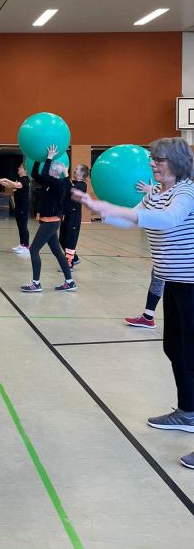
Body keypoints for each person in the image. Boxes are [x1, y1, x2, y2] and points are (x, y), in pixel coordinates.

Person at [73, 137, 194, 470]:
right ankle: (187, 412)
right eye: (152, 158)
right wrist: (99, 209)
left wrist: (115, 209)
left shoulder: (186, 192)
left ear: (178, 162)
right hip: (176, 283)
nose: (153, 164)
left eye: (160, 159)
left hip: (192, 284)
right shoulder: (155, 193)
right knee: (175, 349)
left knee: (192, 357)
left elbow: (169, 220)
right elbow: (132, 219)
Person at [21, 145, 77, 293]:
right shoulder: (49, 183)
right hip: (49, 222)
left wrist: (49, 158)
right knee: (58, 252)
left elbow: (45, 174)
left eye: (50, 168)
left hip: (50, 223)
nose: (48, 170)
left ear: (54, 172)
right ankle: (70, 282)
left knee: (33, 250)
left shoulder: (58, 184)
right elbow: (36, 174)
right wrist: (38, 160)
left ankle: (36, 283)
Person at [124, 180, 164, 329]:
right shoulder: (160, 189)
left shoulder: (185, 191)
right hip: (166, 254)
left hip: (181, 254)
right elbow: (136, 213)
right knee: (157, 278)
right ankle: (148, 317)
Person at [59, 164, 90, 269]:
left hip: (74, 216)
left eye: (77, 169)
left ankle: (69, 264)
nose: (74, 170)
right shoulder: (74, 182)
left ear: (82, 173)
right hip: (67, 214)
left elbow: (71, 190)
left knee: (70, 240)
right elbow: (66, 185)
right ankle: (75, 258)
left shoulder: (82, 185)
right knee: (62, 239)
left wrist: (65, 174)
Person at [0, 162, 30, 254]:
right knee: (20, 226)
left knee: (23, 226)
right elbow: (10, 185)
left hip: (23, 206)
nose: (18, 168)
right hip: (18, 206)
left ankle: (26, 246)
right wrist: (1, 182)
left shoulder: (26, 179)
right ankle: (22, 244)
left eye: (20, 167)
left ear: (25, 170)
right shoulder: (19, 179)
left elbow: (17, 185)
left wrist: (5, 179)